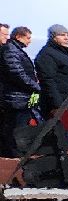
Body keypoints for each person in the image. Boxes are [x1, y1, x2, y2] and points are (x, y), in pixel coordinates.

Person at [0, 25, 36, 158]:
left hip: (21, 97)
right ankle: (14, 156)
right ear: (19, 37)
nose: (30, 41)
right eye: (28, 37)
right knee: (16, 129)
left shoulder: (16, 50)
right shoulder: (11, 50)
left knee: (20, 128)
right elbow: (17, 73)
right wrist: (35, 86)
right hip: (16, 98)